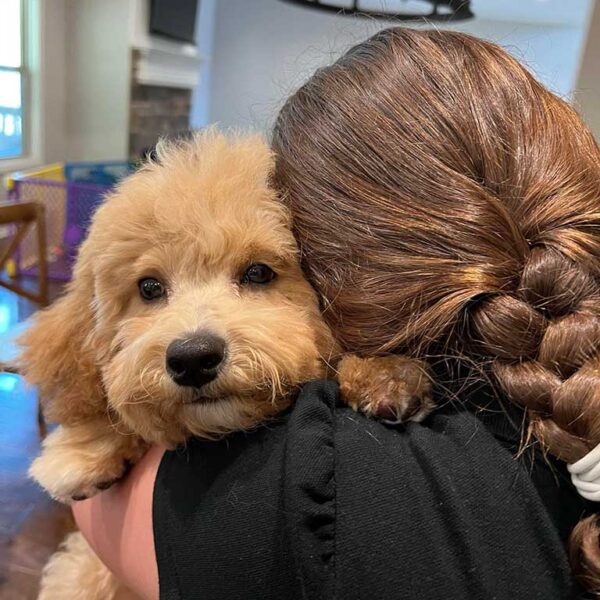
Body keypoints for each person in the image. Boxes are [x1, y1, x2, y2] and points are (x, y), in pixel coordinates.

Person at [74, 27, 599, 598]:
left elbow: (102, 513)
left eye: (256, 275)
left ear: (338, 271)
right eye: (152, 288)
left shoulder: (313, 486)